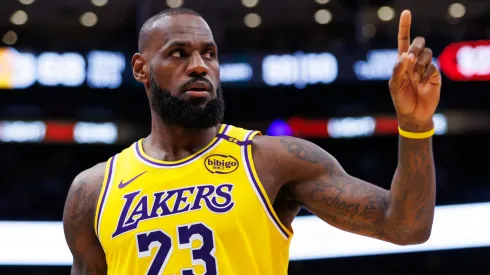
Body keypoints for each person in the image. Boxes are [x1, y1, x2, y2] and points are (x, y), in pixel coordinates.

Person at [62, 7, 441, 275]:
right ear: (140, 68)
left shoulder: (271, 161)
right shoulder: (92, 191)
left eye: (208, 53)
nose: (199, 65)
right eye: (179, 53)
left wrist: (415, 124)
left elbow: (405, 225)